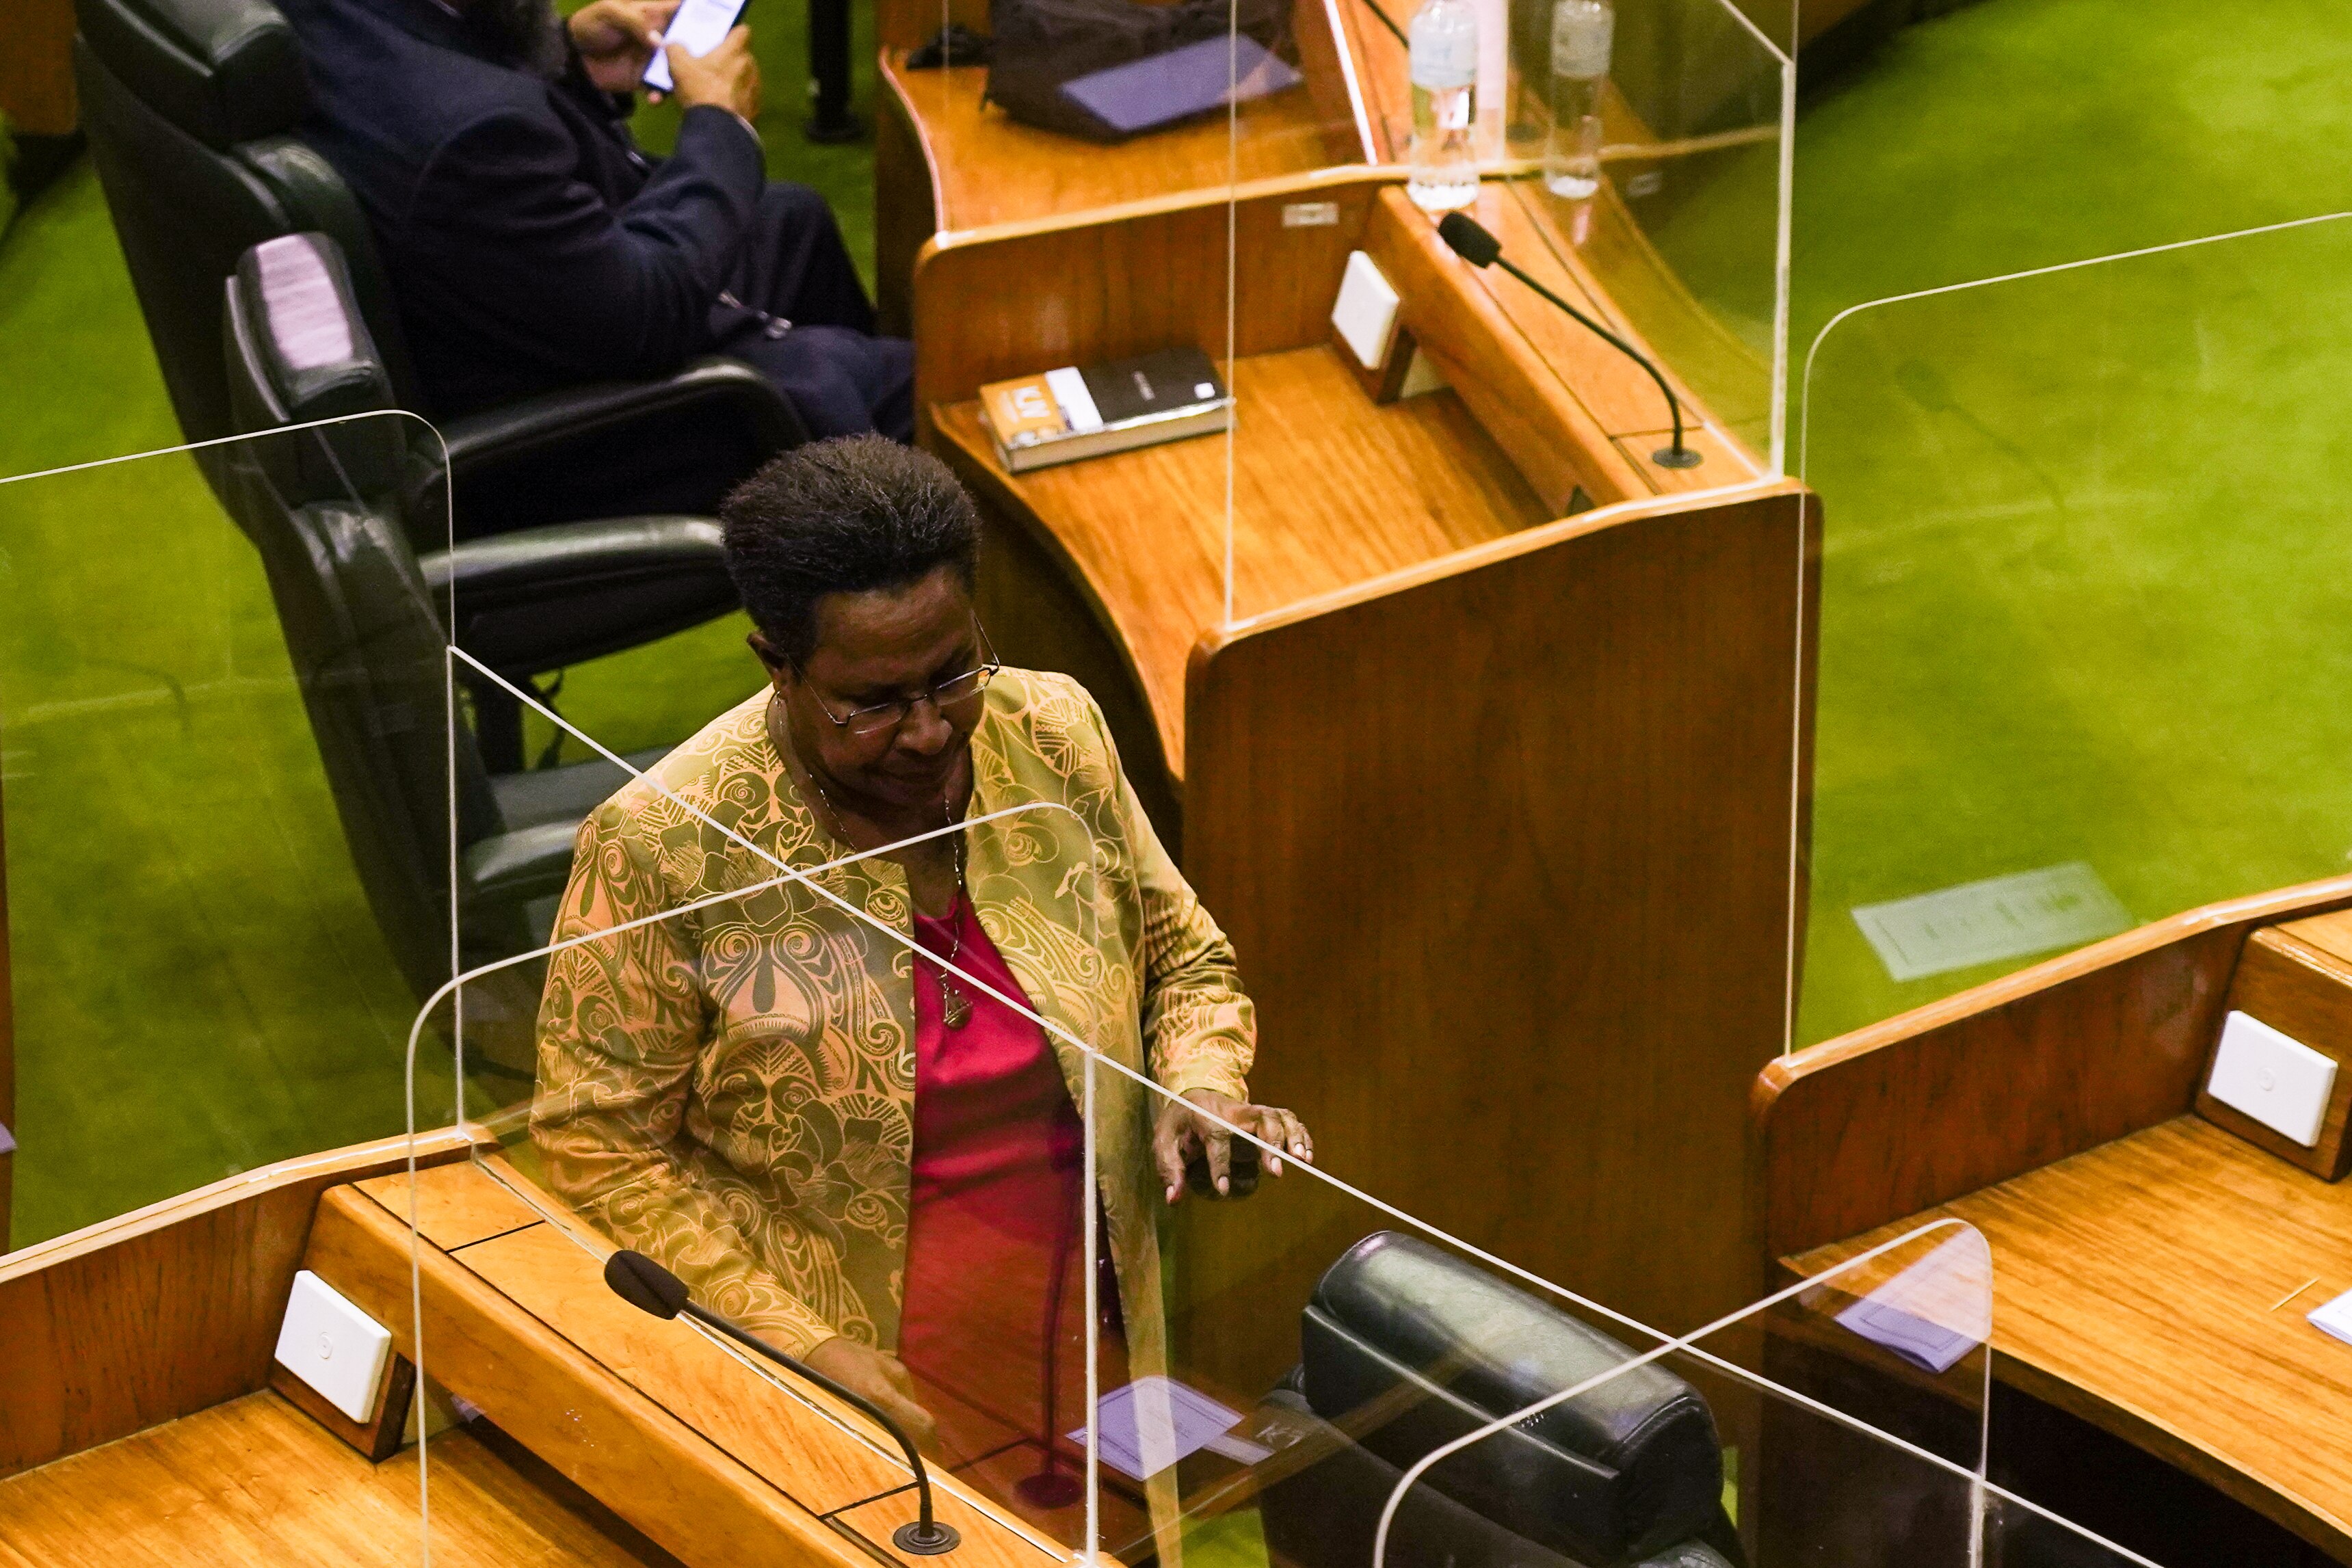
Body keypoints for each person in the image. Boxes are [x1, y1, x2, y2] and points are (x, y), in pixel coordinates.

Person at [529, 436, 1312, 1484]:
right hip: (850, 1370)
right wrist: (793, 1341)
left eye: (953, 673)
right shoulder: (664, 845)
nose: (930, 728)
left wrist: (1203, 1085)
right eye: (874, 700)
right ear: (777, 663)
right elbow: (596, 1144)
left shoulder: (1052, 730)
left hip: (1089, 1327)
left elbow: (1180, 954)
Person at [275, 0, 912, 467]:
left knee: (790, 222)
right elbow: (646, 315)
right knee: (910, 385)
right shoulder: (467, 135)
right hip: (550, 436)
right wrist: (721, 126)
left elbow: (446, 69)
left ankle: (859, 520)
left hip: (486, 308)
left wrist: (568, 60)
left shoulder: (327, 24)